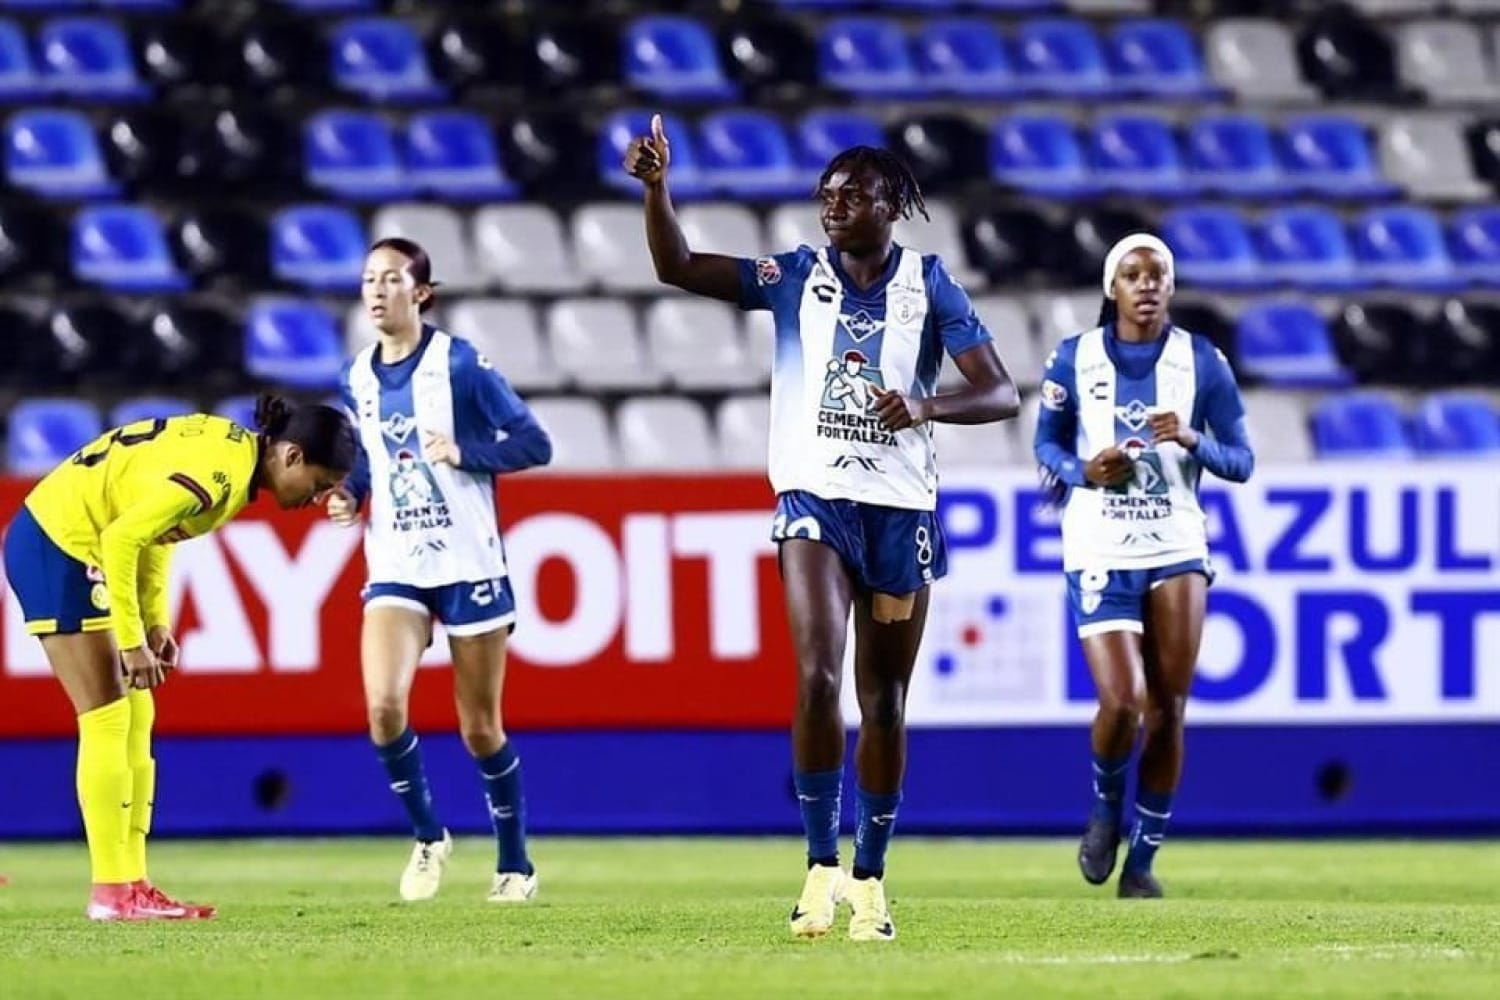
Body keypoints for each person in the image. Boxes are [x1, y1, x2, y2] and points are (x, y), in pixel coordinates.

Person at [624, 116, 1019, 941]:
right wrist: (657, 190)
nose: (834, 206)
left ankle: (871, 879)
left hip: (901, 516)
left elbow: (1000, 393)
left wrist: (926, 403)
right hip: (814, 502)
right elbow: (679, 265)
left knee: (885, 701)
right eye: (826, 195)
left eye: (853, 194)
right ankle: (817, 868)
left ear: (892, 204)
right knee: (814, 676)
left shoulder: (930, 285)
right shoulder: (793, 275)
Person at [2, 395, 356, 921]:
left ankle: (132, 883)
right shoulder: (221, 476)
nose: (320, 499)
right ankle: (111, 891)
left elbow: (158, 533)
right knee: (106, 715)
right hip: (60, 545)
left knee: (137, 713)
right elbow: (122, 538)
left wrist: (155, 621)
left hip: (76, 540)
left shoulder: (231, 454)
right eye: (321, 483)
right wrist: (131, 642)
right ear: (292, 457)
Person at [327, 237, 553, 904]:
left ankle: (515, 863)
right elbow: (371, 456)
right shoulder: (356, 375)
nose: (376, 290)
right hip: (395, 559)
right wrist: (351, 493)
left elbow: (534, 442)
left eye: (391, 279)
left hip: (467, 559)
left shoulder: (458, 364)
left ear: (421, 292)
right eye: (369, 278)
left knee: (480, 727)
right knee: (382, 708)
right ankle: (429, 837)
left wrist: (465, 451)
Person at [1033, 233, 1255, 899]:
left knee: (1169, 708)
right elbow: (1045, 445)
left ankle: (1142, 862)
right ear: (1112, 288)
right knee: (1123, 701)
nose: (1146, 284)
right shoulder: (1075, 358)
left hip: (1177, 544)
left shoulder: (1201, 362)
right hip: (1099, 544)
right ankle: (1105, 808)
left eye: (1157, 274)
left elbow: (1242, 460)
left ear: (1172, 286)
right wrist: (1082, 471)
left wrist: (1192, 438)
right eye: (1132, 274)